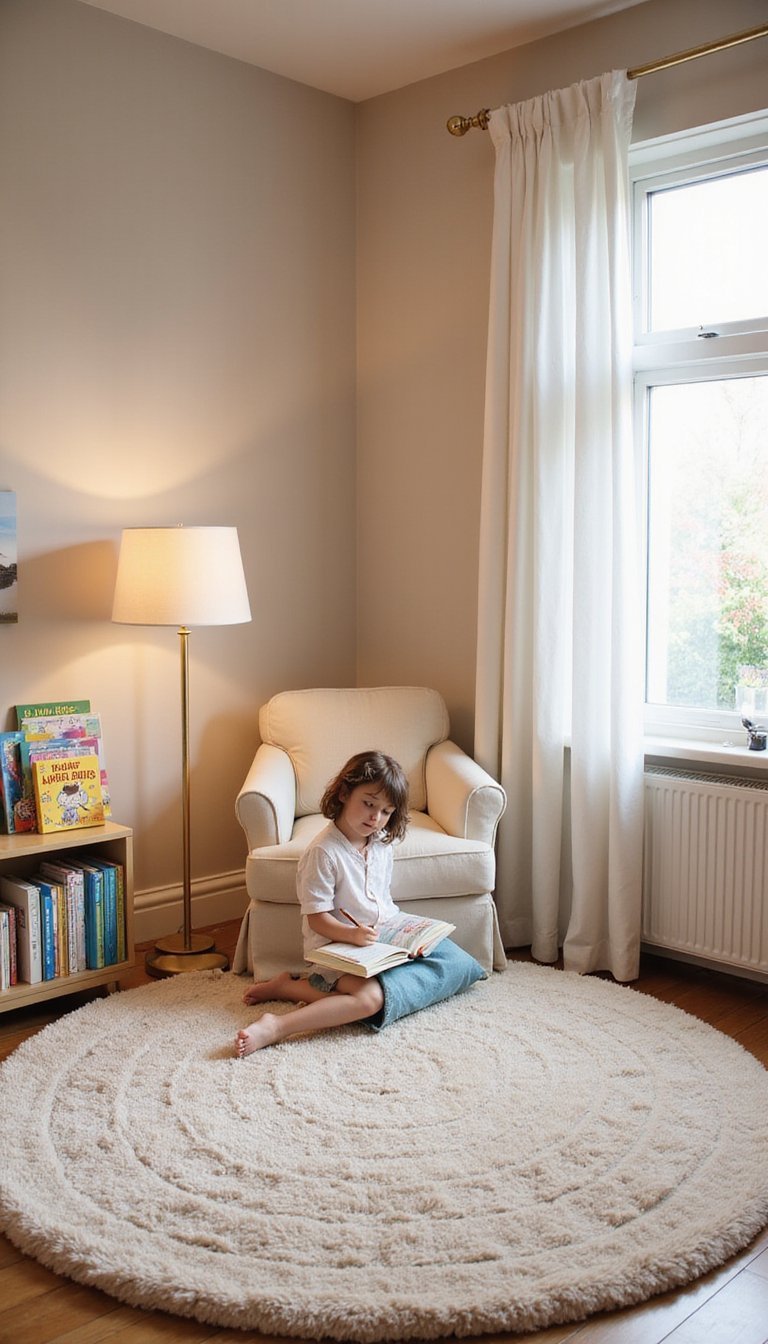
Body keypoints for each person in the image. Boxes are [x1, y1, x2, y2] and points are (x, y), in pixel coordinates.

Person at [235, 749, 410, 1058]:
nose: (376, 818)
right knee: (370, 1000)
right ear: (344, 793)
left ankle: (285, 986)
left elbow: (383, 899)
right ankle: (277, 1025)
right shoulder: (323, 853)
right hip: (335, 949)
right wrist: (352, 935)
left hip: (374, 943)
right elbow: (317, 920)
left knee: (434, 959)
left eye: (386, 811)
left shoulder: (382, 844)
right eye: (369, 804)